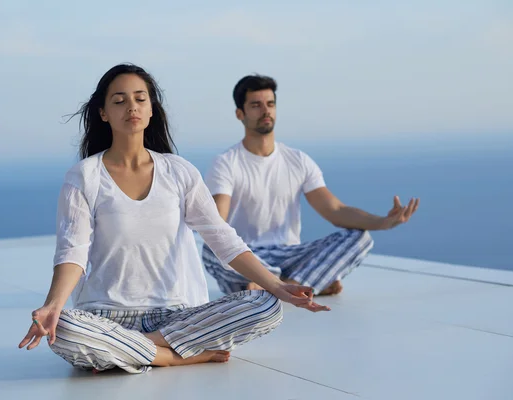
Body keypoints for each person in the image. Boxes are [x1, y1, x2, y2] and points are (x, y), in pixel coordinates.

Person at [18, 64, 331, 374]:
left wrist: (276, 285)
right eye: (119, 100)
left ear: (152, 108)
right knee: (67, 329)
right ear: (103, 113)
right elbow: (72, 252)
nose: (131, 107)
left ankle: (131, 349)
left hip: (175, 316)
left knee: (266, 306)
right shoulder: (84, 176)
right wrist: (53, 305)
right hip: (106, 315)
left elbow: (223, 239)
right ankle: (174, 356)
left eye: (140, 99)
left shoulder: (178, 171)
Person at [202, 74, 419, 296]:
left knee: (360, 238)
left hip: (291, 254)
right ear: (240, 114)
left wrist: (384, 222)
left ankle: (285, 284)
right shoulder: (226, 163)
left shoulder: (297, 160)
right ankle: (301, 282)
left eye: (270, 104)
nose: (266, 111)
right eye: (256, 105)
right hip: (246, 256)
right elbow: (217, 222)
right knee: (210, 249)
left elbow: (335, 210)